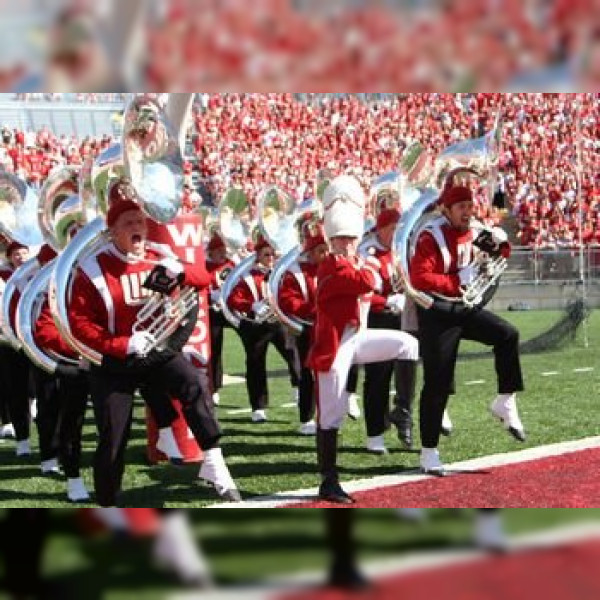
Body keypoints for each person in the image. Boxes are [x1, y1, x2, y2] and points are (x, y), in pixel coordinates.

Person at [69, 181, 240, 506]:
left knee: (192, 382)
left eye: (140, 222)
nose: (137, 228)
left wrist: (184, 273)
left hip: (155, 352)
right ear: (112, 231)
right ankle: (108, 499)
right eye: (129, 224)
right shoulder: (91, 269)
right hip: (113, 363)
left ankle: (214, 464)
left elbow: (204, 281)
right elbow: (80, 326)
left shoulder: (159, 256)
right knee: (113, 435)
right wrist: (122, 343)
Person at [307, 175, 419, 504]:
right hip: (335, 346)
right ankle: (328, 480)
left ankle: (401, 411)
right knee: (331, 415)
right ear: (330, 241)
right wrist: (370, 264)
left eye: (351, 239)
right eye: (340, 240)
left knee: (408, 345)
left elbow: (371, 280)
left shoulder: (355, 258)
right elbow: (365, 280)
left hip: (357, 338)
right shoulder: (330, 267)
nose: (347, 244)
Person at [410, 180, 525, 476]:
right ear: (446, 209)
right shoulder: (430, 236)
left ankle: (505, 400)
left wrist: (501, 246)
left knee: (507, 334)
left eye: (470, 206)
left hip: (463, 308)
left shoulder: (474, 229)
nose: (467, 212)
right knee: (438, 382)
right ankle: (428, 451)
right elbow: (420, 277)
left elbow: (499, 255)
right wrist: (456, 280)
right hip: (438, 314)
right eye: (461, 206)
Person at [359, 207, 417, 453]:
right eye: (394, 229)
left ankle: (402, 412)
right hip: (378, 318)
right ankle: (375, 433)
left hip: (403, 318)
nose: (398, 234)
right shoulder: (369, 254)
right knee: (377, 377)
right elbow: (362, 293)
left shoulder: (403, 250)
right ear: (382, 229)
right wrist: (386, 302)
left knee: (408, 369)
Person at [226, 234, 300, 423]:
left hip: (279, 323)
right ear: (258, 256)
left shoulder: (282, 274)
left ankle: (299, 390)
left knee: (294, 356)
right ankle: (258, 407)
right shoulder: (247, 277)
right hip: (257, 327)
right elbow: (233, 299)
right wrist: (252, 306)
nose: (271, 258)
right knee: (255, 364)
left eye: (273, 255)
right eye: (266, 255)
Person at [278, 219, 329, 435]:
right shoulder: (295, 271)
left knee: (330, 372)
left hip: (329, 326)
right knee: (307, 373)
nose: (325, 254)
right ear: (310, 250)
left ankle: (328, 414)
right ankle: (307, 418)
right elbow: (288, 300)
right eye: (320, 250)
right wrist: (311, 309)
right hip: (306, 327)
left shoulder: (330, 266)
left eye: (326, 250)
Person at [0, 241, 34, 456]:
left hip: (36, 339)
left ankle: (51, 451)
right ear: (10, 257)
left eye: (24, 253)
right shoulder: (3, 277)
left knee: (39, 391)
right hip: (10, 341)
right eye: (16, 254)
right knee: (15, 391)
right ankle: (23, 440)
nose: (20, 257)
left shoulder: (37, 272)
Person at [205, 233, 235, 407]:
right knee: (214, 348)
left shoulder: (231, 265)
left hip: (232, 310)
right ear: (211, 253)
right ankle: (214, 387)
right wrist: (212, 296)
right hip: (214, 312)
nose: (223, 254)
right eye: (219, 251)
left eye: (224, 250)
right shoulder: (205, 266)